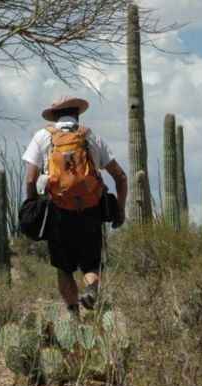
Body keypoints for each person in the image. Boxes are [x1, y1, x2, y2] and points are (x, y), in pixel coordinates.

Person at [22, 95, 128, 316]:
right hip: (90, 210)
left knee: (64, 267)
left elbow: (31, 180)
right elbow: (121, 177)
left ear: (55, 116)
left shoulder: (43, 136)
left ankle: (74, 316)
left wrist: (33, 206)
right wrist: (120, 210)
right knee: (90, 263)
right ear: (78, 115)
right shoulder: (91, 137)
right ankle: (91, 289)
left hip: (57, 210)